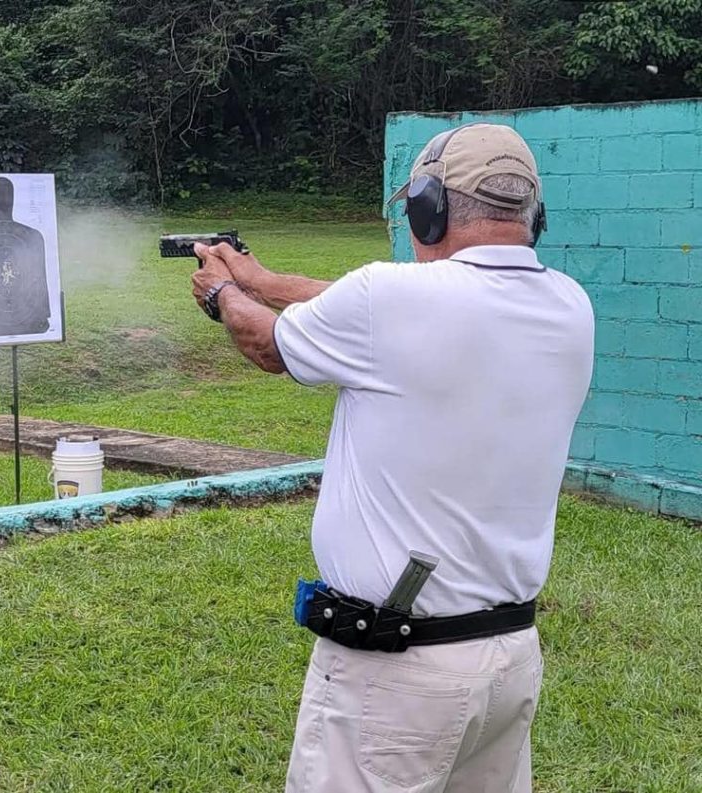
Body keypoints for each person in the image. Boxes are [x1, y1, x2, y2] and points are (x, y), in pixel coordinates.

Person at [190, 123, 594, 792]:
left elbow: (269, 344)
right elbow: (379, 306)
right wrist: (260, 279)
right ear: (534, 216)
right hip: (509, 659)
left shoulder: (389, 300)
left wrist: (222, 294)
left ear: (429, 209)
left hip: (396, 675)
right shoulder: (571, 306)